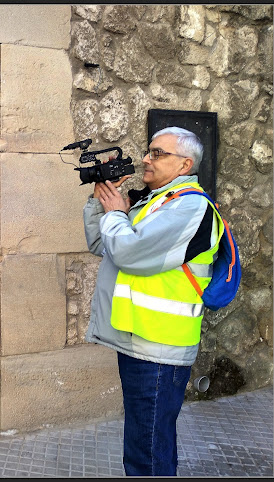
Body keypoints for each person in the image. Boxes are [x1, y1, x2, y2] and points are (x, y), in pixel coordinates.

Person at [83, 127, 223, 476]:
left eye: (158, 153)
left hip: (161, 350)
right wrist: (102, 201)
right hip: (139, 342)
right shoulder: (155, 202)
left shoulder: (191, 208)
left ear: (184, 164)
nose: (146, 158)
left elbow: (128, 252)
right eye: (149, 151)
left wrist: (116, 214)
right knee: (146, 445)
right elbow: (104, 246)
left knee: (147, 455)